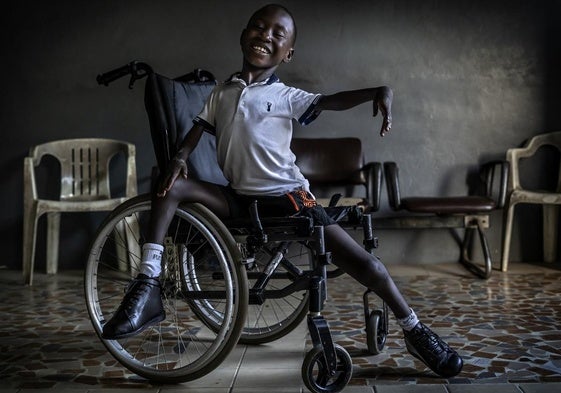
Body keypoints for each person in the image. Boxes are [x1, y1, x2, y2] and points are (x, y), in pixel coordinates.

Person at [102, 3, 463, 378]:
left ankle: (414, 329)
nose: (265, 36)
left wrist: (378, 90)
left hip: (289, 199)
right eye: (258, 27)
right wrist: (179, 158)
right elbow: (197, 130)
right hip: (238, 198)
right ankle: (147, 284)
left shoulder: (287, 95)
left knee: (367, 266)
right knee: (169, 183)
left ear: (288, 53)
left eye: (278, 34)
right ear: (244, 35)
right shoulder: (222, 93)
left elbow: (330, 101)